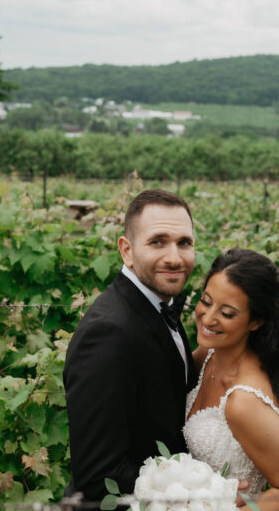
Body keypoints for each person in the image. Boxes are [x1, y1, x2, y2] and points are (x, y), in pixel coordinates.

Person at [64, 189, 199, 502]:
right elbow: (98, 476)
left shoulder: (157, 304)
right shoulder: (108, 334)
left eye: (184, 243)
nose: (174, 257)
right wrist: (194, 491)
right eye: (157, 241)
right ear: (126, 250)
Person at [184, 248, 279, 510]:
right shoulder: (208, 355)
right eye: (206, 301)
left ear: (256, 321)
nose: (208, 318)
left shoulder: (244, 401)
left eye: (227, 313)